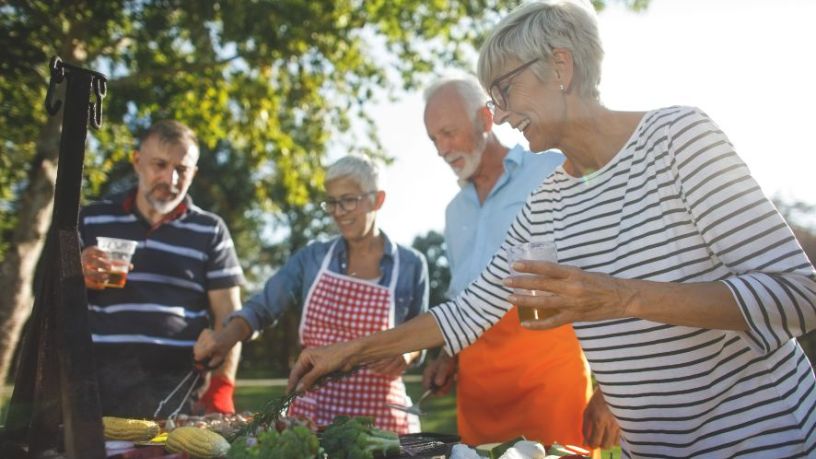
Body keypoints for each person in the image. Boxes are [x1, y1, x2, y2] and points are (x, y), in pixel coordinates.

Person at [286, 1, 816, 456]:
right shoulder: (548, 202)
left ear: (560, 66)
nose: (500, 111)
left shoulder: (678, 138)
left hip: (767, 438)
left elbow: (798, 295)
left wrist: (620, 298)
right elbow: (467, 313)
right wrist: (346, 355)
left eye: (505, 90)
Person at [422, 75, 617, 451]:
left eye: (448, 132)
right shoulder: (453, 213)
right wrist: (449, 357)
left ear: (484, 119)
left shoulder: (550, 171)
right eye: (434, 139)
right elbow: (466, 300)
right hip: (478, 398)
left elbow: (608, 270)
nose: (441, 149)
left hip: (549, 382)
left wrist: (609, 395)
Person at [194, 155, 429, 434]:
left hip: (380, 419)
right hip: (312, 411)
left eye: (348, 200)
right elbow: (262, 308)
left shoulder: (411, 265)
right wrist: (223, 340)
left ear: (377, 200)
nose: (338, 211)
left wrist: (408, 353)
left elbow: (422, 333)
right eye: (331, 202)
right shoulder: (312, 258)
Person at [80, 120, 244, 418]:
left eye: (182, 170)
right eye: (160, 164)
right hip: (96, 384)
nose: (171, 179)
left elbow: (229, 316)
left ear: (193, 174)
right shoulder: (92, 219)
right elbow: (50, 299)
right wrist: (77, 276)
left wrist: (222, 388)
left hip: (178, 388)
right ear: (137, 162)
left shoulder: (210, 230)